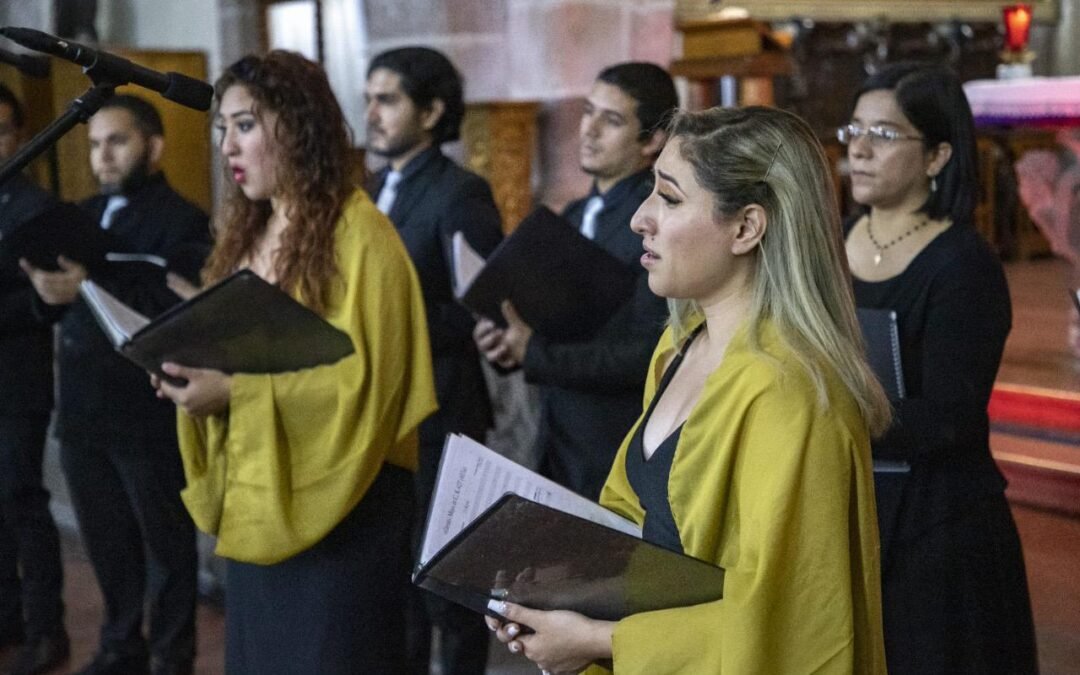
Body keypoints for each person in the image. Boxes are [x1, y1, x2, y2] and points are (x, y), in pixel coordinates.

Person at [488, 106, 892, 674]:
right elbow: (638, 523)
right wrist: (552, 592)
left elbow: (791, 619)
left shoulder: (788, 392)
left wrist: (598, 639)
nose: (640, 219)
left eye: (670, 198)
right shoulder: (679, 345)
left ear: (746, 228)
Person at [153, 50, 437, 674]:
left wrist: (235, 393)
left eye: (245, 125)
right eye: (222, 128)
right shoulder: (249, 234)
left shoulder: (362, 236)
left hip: (345, 505)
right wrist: (186, 368)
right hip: (261, 493)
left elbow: (369, 386)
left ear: (299, 128)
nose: (228, 145)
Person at [840, 62, 1038, 674]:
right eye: (854, 131)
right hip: (850, 503)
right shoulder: (833, 241)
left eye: (883, 134)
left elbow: (952, 419)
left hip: (937, 527)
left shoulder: (962, 264)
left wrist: (826, 411)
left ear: (937, 156)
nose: (860, 149)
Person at [21, 94, 208, 675]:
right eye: (95, 144)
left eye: (117, 141)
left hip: (145, 408)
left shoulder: (182, 219)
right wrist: (47, 292)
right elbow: (55, 303)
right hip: (82, 408)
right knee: (106, 543)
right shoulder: (78, 213)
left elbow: (174, 307)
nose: (103, 155)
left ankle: (172, 657)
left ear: (153, 146)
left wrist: (90, 282)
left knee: (166, 546)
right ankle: (120, 646)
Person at [364, 46, 504, 675]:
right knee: (394, 585)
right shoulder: (372, 189)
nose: (372, 113)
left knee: (448, 585)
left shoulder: (460, 192)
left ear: (431, 111)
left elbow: (480, 306)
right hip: (381, 409)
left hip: (442, 410)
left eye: (387, 100)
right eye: (368, 99)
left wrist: (387, 319)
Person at [475, 62, 675, 500]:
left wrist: (535, 353)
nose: (589, 130)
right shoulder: (571, 215)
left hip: (612, 447)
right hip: (554, 442)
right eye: (588, 111)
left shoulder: (655, 224)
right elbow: (546, 325)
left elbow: (646, 353)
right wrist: (507, 343)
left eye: (612, 120)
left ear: (652, 141)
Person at [0, 83, 69, 675]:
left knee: (21, 499)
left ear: (19, 136)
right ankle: (7, 617)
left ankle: (48, 629)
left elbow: (44, 301)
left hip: (17, 380)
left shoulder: (35, 208)